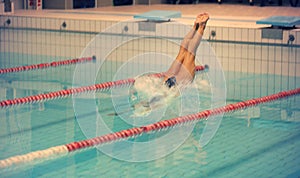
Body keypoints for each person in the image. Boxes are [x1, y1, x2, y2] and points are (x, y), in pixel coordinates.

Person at [130, 13, 209, 116]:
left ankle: (200, 26)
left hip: (174, 86)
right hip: (168, 83)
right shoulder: (151, 102)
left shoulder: (154, 106)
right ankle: (197, 26)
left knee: (188, 53)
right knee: (185, 52)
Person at [164, 13, 209, 88]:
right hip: (165, 83)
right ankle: (196, 26)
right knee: (183, 51)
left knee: (190, 54)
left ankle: (201, 26)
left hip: (175, 88)